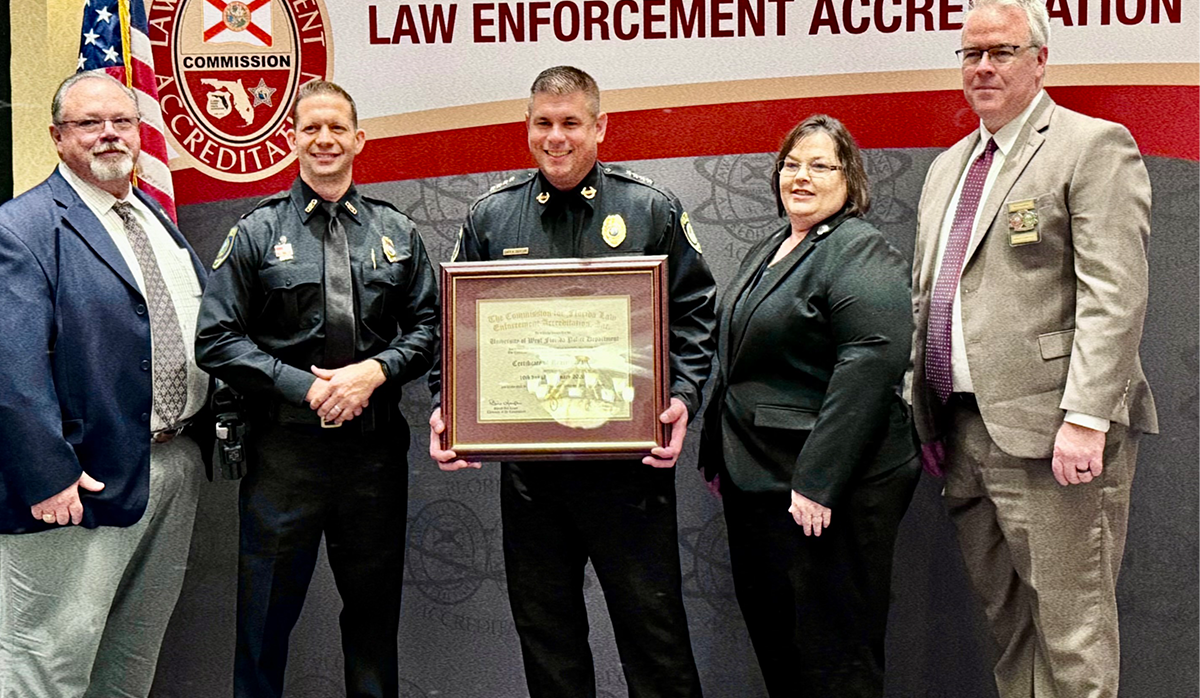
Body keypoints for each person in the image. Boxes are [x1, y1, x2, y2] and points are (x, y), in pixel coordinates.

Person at [429, 65, 716, 698]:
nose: (556, 138)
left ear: (599, 127)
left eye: (570, 124)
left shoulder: (650, 209)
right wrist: (446, 405)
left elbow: (695, 315)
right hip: (532, 474)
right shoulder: (491, 218)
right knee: (548, 642)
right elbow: (452, 328)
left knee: (654, 640)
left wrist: (681, 398)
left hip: (628, 470)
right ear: (527, 126)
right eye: (543, 123)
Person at [910, 0, 1156, 698]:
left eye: (1001, 52)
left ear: (1040, 61)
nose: (983, 67)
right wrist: (923, 406)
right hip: (963, 431)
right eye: (971, 53)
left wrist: (1086, 418)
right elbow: (931, 295)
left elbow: (1116, 294)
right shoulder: (947, 167)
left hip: (1056, 435)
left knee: (1073, 639)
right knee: (1010, 626)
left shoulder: (1092, 146)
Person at [194, 80, 438, 698]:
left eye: (337, 129)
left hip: (373, 458)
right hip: (284, 459)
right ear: (291, 139)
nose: (324, 140)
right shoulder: (254, 232)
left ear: (359, 139)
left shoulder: (397, 232)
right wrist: (305, 387)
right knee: (262, 625)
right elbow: (217, 339)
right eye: (311, 128)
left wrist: (374, 372)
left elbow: (431, 326)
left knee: (374, 623)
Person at [0, 71, 212, 697]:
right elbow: (11, 371)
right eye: (89, 123)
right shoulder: (23, 227)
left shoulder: (149, 219)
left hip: (170, 468)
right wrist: (47, 474)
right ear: (57, 137)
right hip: (76, 486)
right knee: (48, 665)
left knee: (129, 660)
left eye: (122, 121)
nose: (109, 134)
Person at [698, 115, 918, 696]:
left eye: (821, 165)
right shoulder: (774, 246)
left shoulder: (858, 249)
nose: (802, 177)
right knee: (782, 647)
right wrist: (716, 453)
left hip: (829, 490)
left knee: (835, 657)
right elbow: (740, 357)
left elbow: (870, 365)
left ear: (850, 179)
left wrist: (818, 481)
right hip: (760, 481)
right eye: (792, 164)